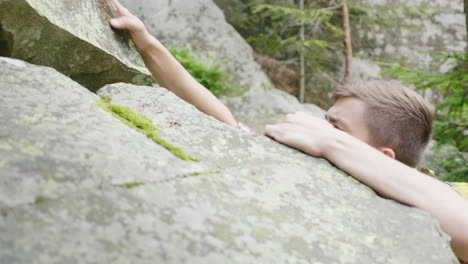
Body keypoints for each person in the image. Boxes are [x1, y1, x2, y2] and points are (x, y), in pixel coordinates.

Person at [108, 0, 468, 261]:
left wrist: (330, 143)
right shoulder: (311, 167)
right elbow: (223, 121)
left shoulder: (428, 214)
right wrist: (147, 42)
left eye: (337, 126)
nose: (317, 127)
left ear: (382, 156)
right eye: (326, 120)